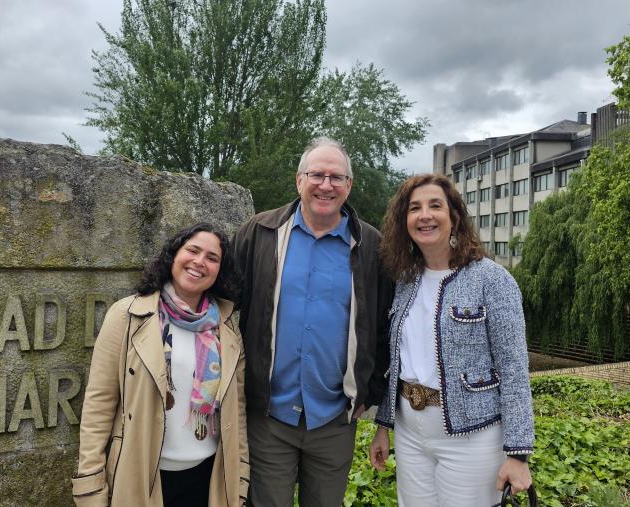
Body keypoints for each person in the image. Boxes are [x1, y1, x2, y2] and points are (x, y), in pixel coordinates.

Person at [232, 137, 392, 507]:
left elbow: (385, 325)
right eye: (316, 174)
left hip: (334, 419)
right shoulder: (259, 233)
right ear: (299, 180)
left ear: (349, 186)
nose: (326, 185)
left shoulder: (371, 246)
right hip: (270, 416)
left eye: (336, 177)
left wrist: (370, 392)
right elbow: (222, 302)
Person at [369, 173, 534, 506]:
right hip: (410, 432)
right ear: (405, 222)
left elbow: (514, 370)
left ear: (454, 216)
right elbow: (396, 362)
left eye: (435, 206)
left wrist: (518, 454)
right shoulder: (403, 281)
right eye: (414, 208)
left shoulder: (492, 279)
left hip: (471, 437)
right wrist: (383, 425)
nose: (424, 215)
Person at [71, 223, 248, 507]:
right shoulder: (127, 316)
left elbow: (237, 412)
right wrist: (90, 483)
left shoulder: (226, 328)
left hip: (209, 477)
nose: (199, 262)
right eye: (192, 250)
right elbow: (99, 404)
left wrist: (240, 479)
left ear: (219, 271)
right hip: (142, 476)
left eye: (212, 258)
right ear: (173, 255)